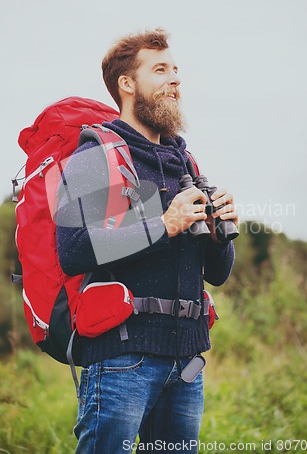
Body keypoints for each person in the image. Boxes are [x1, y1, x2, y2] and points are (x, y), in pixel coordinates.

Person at [56, 28, 238, 453]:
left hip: (186, 364)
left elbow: (219, 273)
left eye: (176, 69)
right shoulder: (93, 155)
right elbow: (73, 251)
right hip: (121, 361)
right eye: (160, 70)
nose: (176, 79)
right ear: (127, 83)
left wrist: (218, 233)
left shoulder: (186, 164)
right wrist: (165, 224)